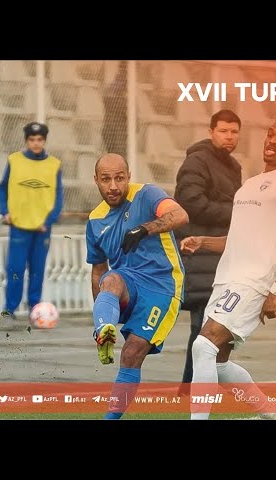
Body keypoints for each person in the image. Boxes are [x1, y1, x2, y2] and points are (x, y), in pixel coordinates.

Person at [181, 114, 276, 420]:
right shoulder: (251, 185)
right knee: (217, 362)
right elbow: (237, 240)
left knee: (203, 346)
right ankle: (270, 412)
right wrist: (203, 241)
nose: (273, 141)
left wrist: (275, 290)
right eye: (271, 134)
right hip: (226, 280)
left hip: (252, 282)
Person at [86, 153, 189, 419]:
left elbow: (180, 215)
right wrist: (101, 318)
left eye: (120, 178)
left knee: (131, 353)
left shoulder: (147, 194)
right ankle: (103, 331)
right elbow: (98, 271)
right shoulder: (95, 220)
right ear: (96, 180)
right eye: (106, 179)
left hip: (162, 286)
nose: (113, 186)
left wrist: (145, 229)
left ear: (129, 177)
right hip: (127, 282)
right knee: (110, 278)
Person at [174, 109, 243, 390]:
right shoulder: (196, 161)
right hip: (199, 255)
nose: (229, 136)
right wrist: (237, 211)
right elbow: (191, 204)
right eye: (223, 131)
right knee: (203, 327)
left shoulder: (234, 166)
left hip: (222, 254)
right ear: (211, 132)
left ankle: (194, 386)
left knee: (214, 328)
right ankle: (192, 388)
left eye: (234, 132)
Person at [0, 122, 63, 319]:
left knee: (37, 271)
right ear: (26, 140)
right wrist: (4, 212)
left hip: (42, 228)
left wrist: (49, 221)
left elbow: (59, 195)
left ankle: (35, 309)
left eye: (40, 139)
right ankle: (10, 310)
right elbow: (2, 188)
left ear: (44, 141)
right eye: (32, 139)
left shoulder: (54, 164)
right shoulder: (14, 160)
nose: (36, 143)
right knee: (15, 269)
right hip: (19, 225)